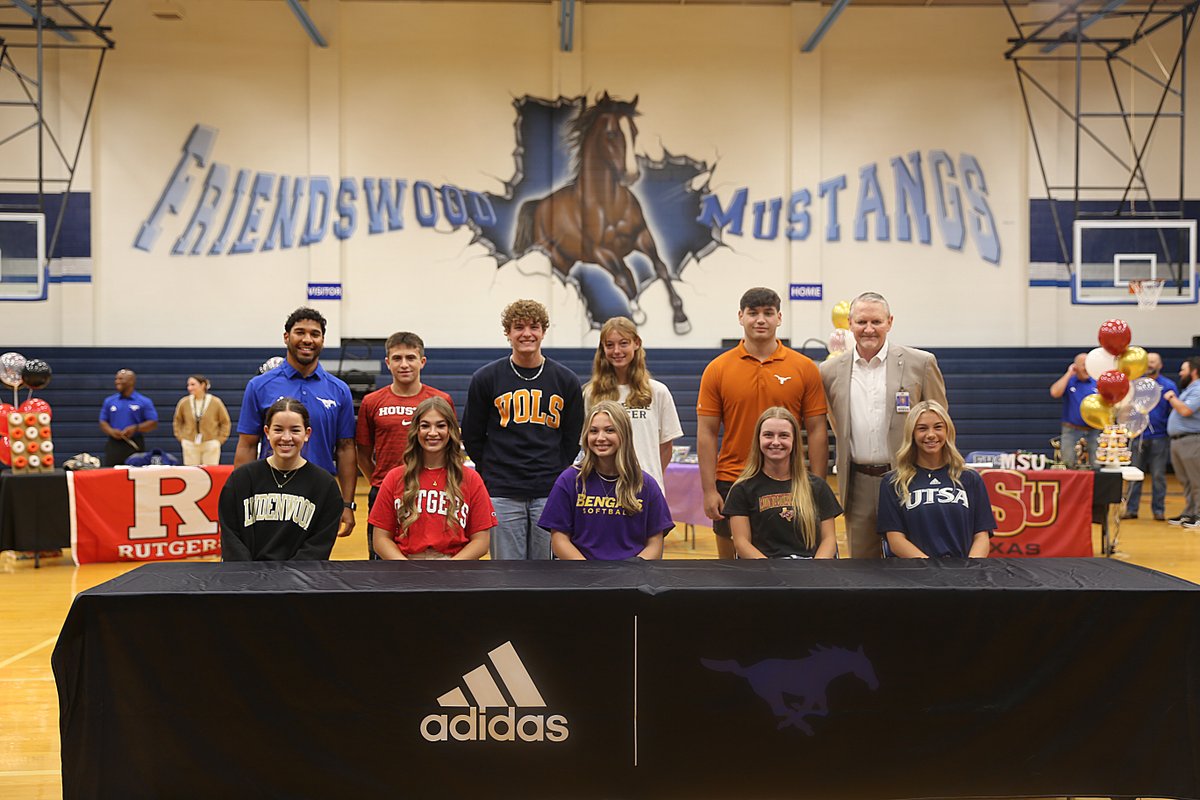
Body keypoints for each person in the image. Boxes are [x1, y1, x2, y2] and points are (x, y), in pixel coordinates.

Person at [698, 287, 828, 560]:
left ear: (779, 318)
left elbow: (817, 430)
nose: (760, 320)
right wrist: (710, 489)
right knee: (730, 571)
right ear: (740, 316)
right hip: (732, 479)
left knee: (792, 558)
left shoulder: (804, 368)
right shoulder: (717, 369)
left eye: (768, 313)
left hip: (790, 481)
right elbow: (707, 433)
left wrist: (817, 484)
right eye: (753, 313)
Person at [819, 291, 947, 559]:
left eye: (876, 322)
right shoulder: (828, 372)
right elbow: (832, 422)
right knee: (862, 566)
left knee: (917, 559)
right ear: (850, 323)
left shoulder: (921, 363)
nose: (868, 329)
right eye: (861, 322)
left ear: (889, 322)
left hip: (911, 478)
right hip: (858, 482)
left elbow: (940, 422)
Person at [463, 299, 585, 560]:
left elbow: (573, 436)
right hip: (502, 491)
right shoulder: (486, 378)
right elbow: (472, 435)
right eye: (519, 327)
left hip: (549, 491)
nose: (527, 333)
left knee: (547, 575)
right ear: (508, 332)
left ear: (543, 331)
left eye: (534, 327)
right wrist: (493, 469)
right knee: (507, 574)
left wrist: (556, 469)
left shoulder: (566, 380)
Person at [234, 307, 358, 538]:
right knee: (266, 566)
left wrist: (347, 504)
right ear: (286, 337)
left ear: (322, 340)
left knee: (315, 567)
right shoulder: (259, 386)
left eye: (315, 334)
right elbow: (247, 445)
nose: (307, 339)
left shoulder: (339, 390)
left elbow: (346, 448)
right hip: (269, 493)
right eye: (300, 332)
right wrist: (240, 498)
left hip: (320, 493)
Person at [356, 332, 454, 558]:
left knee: (430, 554)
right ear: (388, 363)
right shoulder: (372, 402)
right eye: (397, 358)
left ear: (422, 361)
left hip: (431, 491)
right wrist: (382, 482)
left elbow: (450, 447)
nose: (404, 364)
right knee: (381, 558)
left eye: (411, 357)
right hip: (384, 492)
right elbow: (362, 452)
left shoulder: (441, 400)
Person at [539, 400, 673, 560]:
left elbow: (655, 542)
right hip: (582, 578)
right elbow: (559, 539)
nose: (600, 438)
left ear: (624, 434)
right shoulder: (570, 480)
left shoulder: (645, 484)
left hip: (631, 577)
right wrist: (589, 572)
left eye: (610, 430)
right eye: (593, 431)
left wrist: (632, 569)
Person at [368, 396, 495, 559]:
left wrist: (449, 570)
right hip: (406, 567)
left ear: (451, 430)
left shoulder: (471, 479)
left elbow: (481, 542)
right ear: (416, 431)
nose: (433, 433)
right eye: (425, 426)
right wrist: (407, 568)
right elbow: (380, 539)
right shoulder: (395, 477)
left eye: (441, 425)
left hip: (456, 568)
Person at [218, 398, 343, 561]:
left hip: (299, 581)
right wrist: (247, 574)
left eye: (295, 430)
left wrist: (290, 577)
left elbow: (319, 544)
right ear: (267, 432)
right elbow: (231, 536)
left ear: (307, 434)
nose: (286, 437)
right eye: (278, 429)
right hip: (247, 580)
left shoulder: (325, 485)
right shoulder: (241, 479)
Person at [877, 400, 995, 558]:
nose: (931, 435)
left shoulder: (970, 479)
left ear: (948, 431)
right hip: (916, 575)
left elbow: (981, 536)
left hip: (963, 576)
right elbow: (895, 540)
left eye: (938, 427)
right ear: (911, 434)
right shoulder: (893, 482)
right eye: (922, 428)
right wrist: (931, 570)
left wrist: (969, 570)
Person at [724, 407, 841, 559]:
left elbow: (829, 540)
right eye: (768, 435)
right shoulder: (741, 490)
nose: (776, 442)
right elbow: (741, 543)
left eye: (784, 436)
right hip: (764, 573)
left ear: (794, 441)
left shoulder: (817, 486)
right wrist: (772, 572)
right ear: (758, 439)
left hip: (810, 572)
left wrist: (815, 571)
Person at [583, 316, 683, 489]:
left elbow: (665, 446)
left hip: (645, 486)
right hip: (604, 488)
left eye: (623, 343)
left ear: (636, 343)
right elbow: (588, 445)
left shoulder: (657, 392)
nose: (616, 351)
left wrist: (650, 477)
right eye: (609, 345)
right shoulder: (592, 393)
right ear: (602, 349)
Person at [1125, 352, 1177, 521]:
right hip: (1138, 436)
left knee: (1158, 476)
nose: (1150, 365)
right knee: (1134, 474)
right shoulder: (1135, 385)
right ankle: (1131, 509)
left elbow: (1175, 411)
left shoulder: (1168, 385)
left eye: (1153, 362)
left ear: (1160, 365)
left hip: (1159, 437)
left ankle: (1158, 510)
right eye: (1147, 362)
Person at [1164, 357, 1200, 529]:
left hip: (1192, 440)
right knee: (1186, 481)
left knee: (1196, 480)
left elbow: (1185, 410)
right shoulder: (1189, 390)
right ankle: (1189, 512)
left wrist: (1171, 398)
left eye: (1183, 370)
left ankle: (1199, 514)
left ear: (1193, 371)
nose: (1180, 373)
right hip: (1179, 441)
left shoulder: (1198, 389)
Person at [98, 369, 159, 467]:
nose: (117, 381)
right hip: (114, 445)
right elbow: (103, 421)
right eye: (116, 379)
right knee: (112, 476)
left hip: (134, 444)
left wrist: (135, 428)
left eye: (121, 379)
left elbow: (153, 422)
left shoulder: (144, 401)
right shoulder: (109, 401)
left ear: (131, 381)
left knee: (136, 474)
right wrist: (111, 431)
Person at [1049, 353, 1099, 468]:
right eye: (1083, 365)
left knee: (1097, 465)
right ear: (1075, 366)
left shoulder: (1097, 382)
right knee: (1068, 463)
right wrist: (1069, 373)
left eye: (1089, 365)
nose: (1086, 368)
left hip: (1094, 431)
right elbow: (1054, 392)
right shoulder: (1070, 381)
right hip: (1071, 431)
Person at [171, 374, 231, 466]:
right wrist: (182, 438)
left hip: (210, 442)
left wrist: (219, 440)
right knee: (192, 473)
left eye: (192, 384)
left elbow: (225, 422)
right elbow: (177, 421)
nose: (189, 388)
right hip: (190, 442)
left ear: (202, 385)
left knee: (211, 472)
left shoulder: (216, 402)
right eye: (188, 385)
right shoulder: (184, 402)